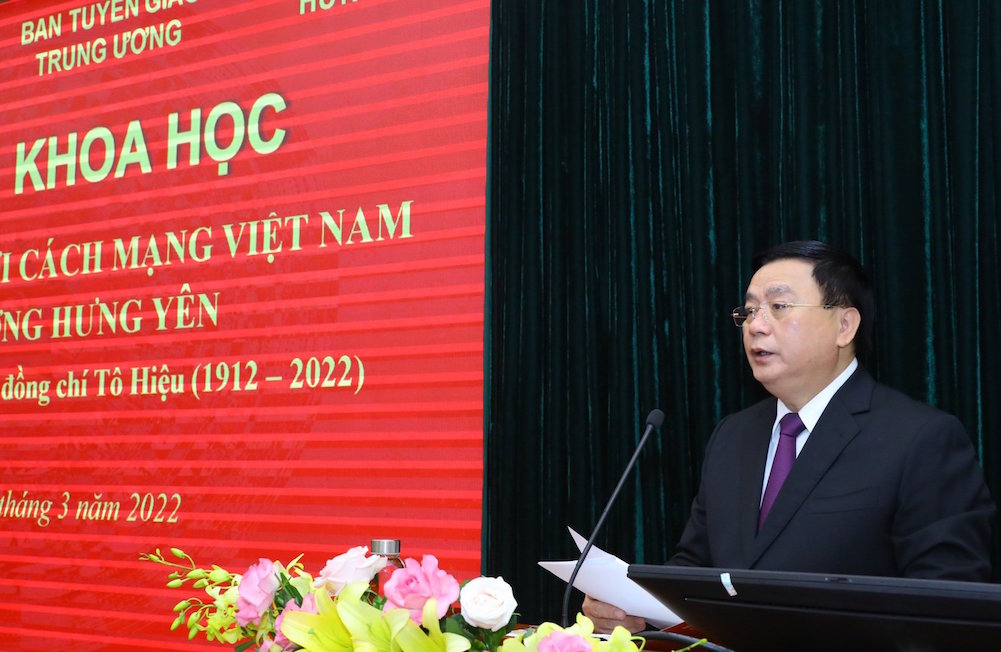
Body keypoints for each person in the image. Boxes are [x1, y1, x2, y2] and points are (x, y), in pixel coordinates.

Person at [583, 240, 996, 633]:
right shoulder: (733, 436)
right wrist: (632, 606)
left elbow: (947, 605)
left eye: (779, 307)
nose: (755, 326)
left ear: (844, 325)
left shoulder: (920, 439)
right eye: (748, 312)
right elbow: (696, 567)